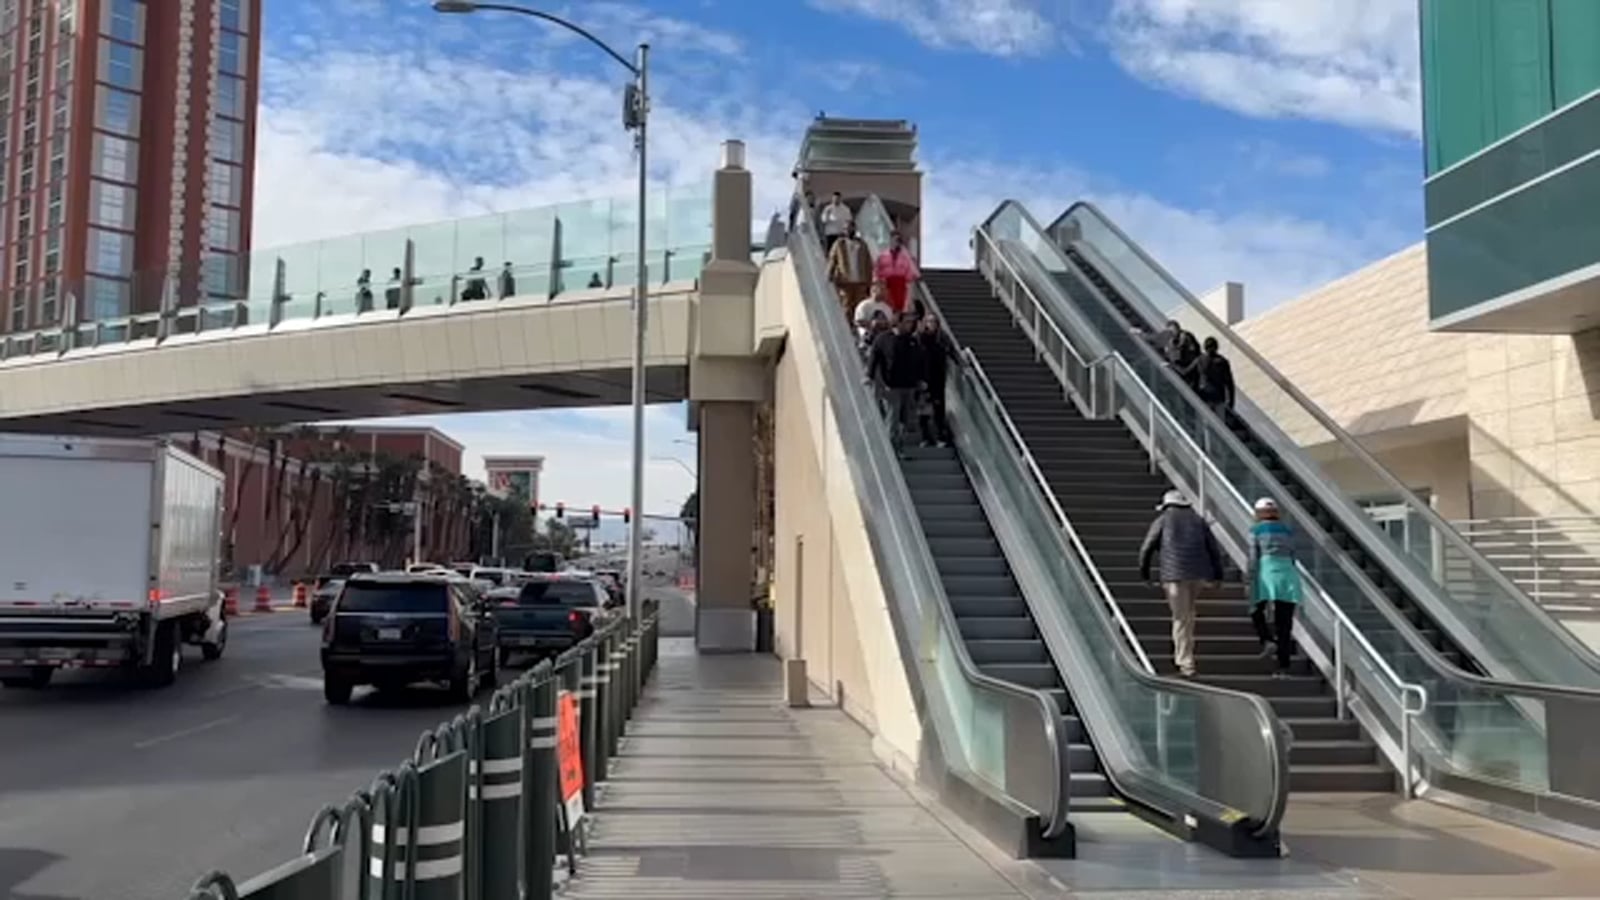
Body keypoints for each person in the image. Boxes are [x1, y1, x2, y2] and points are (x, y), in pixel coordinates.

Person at [1138, 489, 1224, 678]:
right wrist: (1218, 576)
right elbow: (1213, 549)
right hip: (1198, 575)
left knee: (1181, 618)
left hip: (1174, 576)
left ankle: (1186, 663)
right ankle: (1186, 656)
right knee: (1188, 615)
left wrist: (1145, 575)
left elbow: (1147, 548)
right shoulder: (1199, 521)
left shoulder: (1162, 520)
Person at [1247, 497, 1301, 678]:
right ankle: (1283, 666)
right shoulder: (1288, 530)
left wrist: (1249, 578)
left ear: (1258, 513)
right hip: (1288, 574)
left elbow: (1253, 557)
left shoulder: (1256, 530)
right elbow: (1293, 554)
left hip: (1266, 572)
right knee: (1284, 623)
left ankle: (1267, 639)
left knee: (1255, 609)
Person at [866, 312, 925, 452]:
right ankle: (891, 448)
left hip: (909, 386)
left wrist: (921, 379)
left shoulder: (912, 340)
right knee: (893, 416)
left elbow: (920, 361)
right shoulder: (884, 339)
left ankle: (901, 444)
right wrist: (870, 376)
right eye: (907, 322)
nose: (910, 325)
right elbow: (874, 357)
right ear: (898, 323)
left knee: (906, 418)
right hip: (891, 386)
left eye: (911, 322)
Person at [917, 314, 957, 447]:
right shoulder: (920, 338)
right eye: (929, 321)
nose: (932, 324)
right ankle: (925, 437)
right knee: (924, 410)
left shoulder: (942, 339)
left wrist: (960, 363)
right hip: (923, 377)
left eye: (934, 322)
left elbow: (951, 352)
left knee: (938, 408)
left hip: (938, 378)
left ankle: (940, 436)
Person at [829, 223, 874, 317]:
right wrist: (830, 274)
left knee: (859, 305)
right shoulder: (839, 244)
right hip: (845, 281)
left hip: (860, 280)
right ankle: (847, 323)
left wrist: (869, 280)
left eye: (851, 228)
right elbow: (833, 259)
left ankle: (858, 323)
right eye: (847, 229)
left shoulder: (862, 245)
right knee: (846, 305)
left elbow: (868, 263)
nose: (849, 231)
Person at [874, 231, 920, 316]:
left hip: (900, 283)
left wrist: (912, 278)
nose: (897, 242)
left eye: (899, 240)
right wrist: (877, 281)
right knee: (887, 304)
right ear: (891, 240)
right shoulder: (882, 256)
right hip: (886, 283)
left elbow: (909, 270)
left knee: (900, 305)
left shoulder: (905, 256)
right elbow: (877, 270)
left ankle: (898, 317)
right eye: (895, 240)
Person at [1195, 336, 1236, 418]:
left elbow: (1196, 375)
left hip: (1206, 395)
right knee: (1218, 419)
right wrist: (1230, 401)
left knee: (1206, 419)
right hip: (1217, 396)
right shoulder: (1222, 362)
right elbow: (1229, 383)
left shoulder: (1201, 360)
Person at [1160, 320, 1201, 390]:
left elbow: (1185, 352)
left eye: (1173, 331)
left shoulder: (1185, 337)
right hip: (1185, 367)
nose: (1171, 334)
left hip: (1191, 367)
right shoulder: (1173, 340)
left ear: (1178, 328)